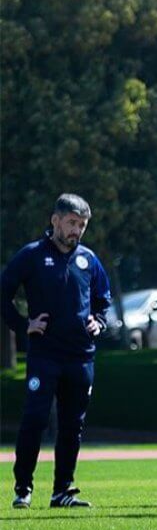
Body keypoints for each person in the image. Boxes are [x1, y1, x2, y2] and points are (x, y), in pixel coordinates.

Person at [2, 194, 111, 508]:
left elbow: (104, 298)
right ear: (56, 220)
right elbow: (3, 292)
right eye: (72, 223)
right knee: (34, 419)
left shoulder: (89, 260)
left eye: (82, 225)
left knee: (72, 424)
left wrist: (99, 322)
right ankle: (23, 488)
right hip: (45, 355)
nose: (76, 230)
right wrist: (24, 325)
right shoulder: (32, 255)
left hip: (81, 356)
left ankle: (62, 490)